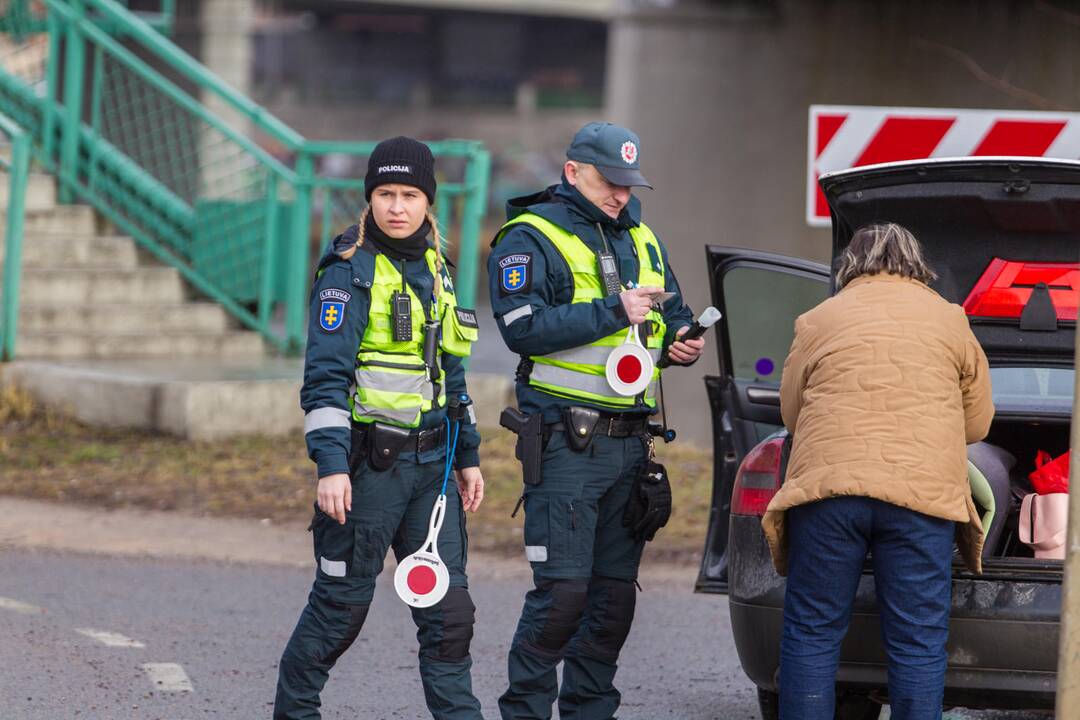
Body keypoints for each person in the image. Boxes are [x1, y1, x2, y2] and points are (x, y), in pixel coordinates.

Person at [487, 121, 706, 719]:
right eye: (609, 182)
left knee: (612, 605)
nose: (620, 195)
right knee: (561, 597)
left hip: (630, 446)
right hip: (565, 445)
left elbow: (670, 317)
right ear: (572, 172)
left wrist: (679, 341)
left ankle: (589, 711)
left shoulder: (645, 239)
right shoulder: (528, 236)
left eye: (629, 185)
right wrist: (614, 309)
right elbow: (521, 327)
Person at [274, 137, 486, 720]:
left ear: (428, 202)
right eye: (386, 194)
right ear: (370, 199)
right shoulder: (348, 273)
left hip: (433, 471)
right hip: (369, 471)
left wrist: (468, 456)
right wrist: (332, 467)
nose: (397, 206)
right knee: (339, 609)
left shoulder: (439, 270)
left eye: (410, 195)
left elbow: (452, 374)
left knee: (449, 616)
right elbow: (324, 382)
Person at [763, 223, 994, 720]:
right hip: (920, 497)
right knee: (917, 640)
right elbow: (977, 423)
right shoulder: (950, 320)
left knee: (812, 631)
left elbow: (790, 413)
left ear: (849, 264)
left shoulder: (819, 318)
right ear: (917, 264)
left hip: (828, 494)